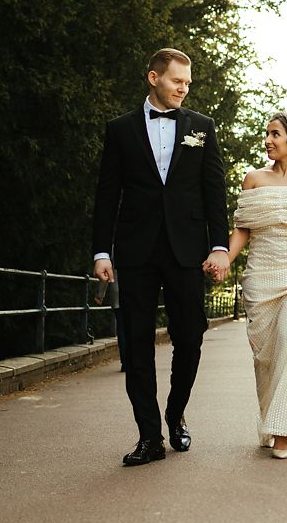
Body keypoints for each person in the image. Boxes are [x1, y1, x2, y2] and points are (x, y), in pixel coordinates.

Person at [91, 48, 230, 466]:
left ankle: (175, 413)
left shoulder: (202, 128)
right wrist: (101, 251)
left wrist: (220, 247)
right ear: (154, 78)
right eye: (177, 81)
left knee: (190, 336)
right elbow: (106, 195)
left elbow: (214, 192)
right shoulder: (120, 130)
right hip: (136, 251)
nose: (184, 89)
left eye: (188, 83)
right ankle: (149, 436)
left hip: (187, 250)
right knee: (136, 345)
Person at [210, 112, 287, 459]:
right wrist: (225, 259)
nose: (268, 140)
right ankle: (270, 420)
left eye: (275, 134)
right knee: (266, 359)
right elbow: (243, 229)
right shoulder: (253, 180)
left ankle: (283, 434)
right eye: (267, 134)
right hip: (260, 279)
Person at [93, 279, 127, 372]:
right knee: (134, 327)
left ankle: (125, 362)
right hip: (136, 293)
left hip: (117, 292)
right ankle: (135, 360)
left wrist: (100, 294)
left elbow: (106, 271)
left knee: (122, 327)